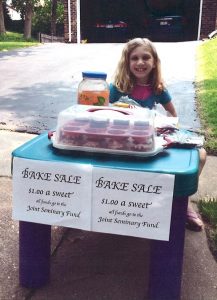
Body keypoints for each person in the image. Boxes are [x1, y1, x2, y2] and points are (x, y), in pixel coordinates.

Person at [109, 37, 206, 231]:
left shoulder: (158, 88)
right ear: (127, 62)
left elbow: (173, 113)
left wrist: (164, 125)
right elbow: (100, 111)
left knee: (201, 155)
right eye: (134, 58)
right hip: (122, 140)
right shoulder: (117, 87)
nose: (140, 62)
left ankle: (181, 200)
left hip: (152, 137)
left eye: (146, 57)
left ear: (154, 63)